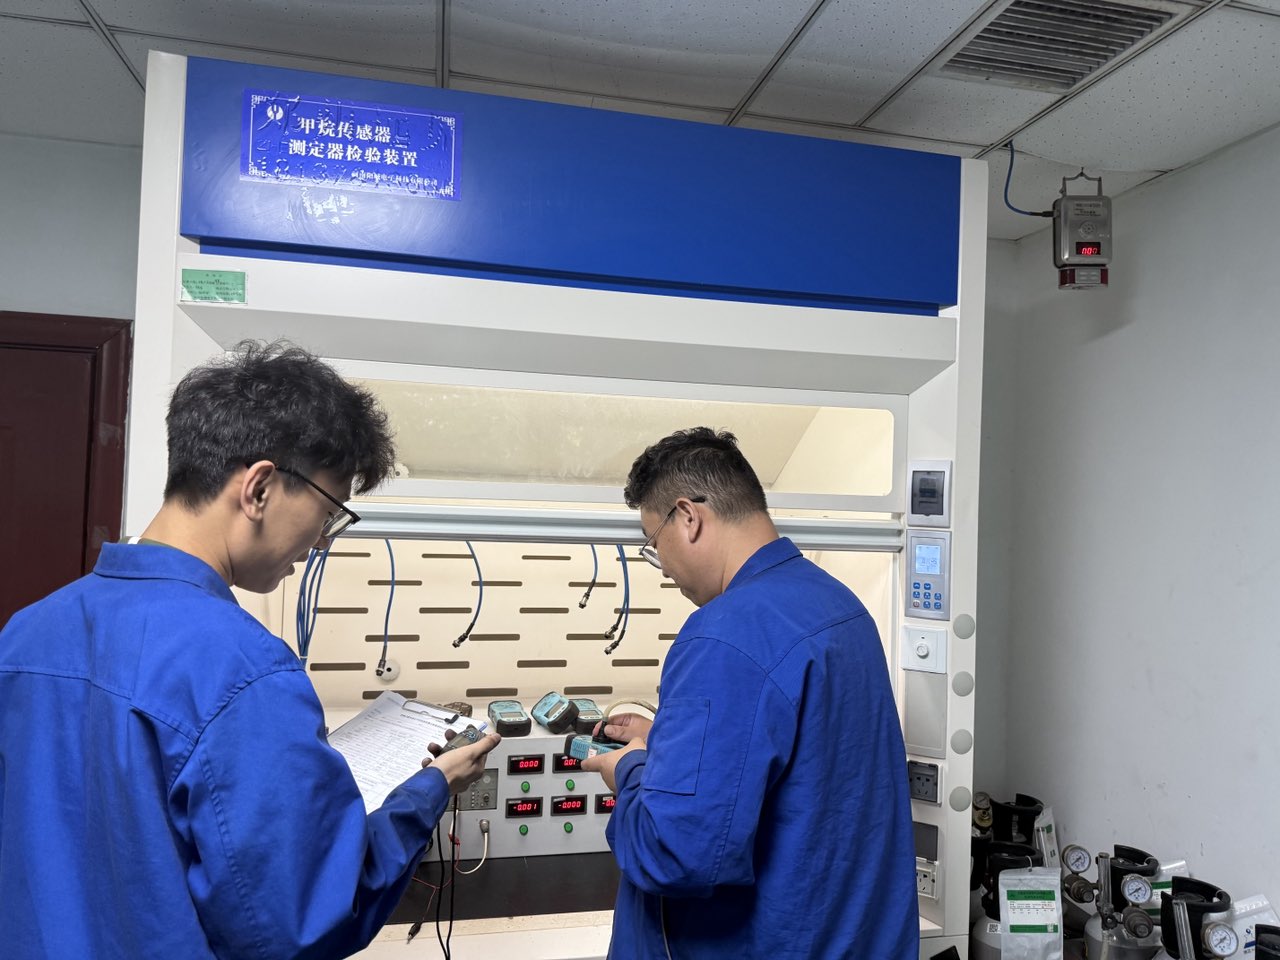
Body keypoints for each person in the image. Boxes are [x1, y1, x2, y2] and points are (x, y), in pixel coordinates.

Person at [0, 341, 500, 959]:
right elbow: (304, 921)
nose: (321, 543)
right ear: (259, 488)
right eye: (328, 513)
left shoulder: (26, 632)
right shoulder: (246, 672)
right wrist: (428, 792)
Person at [581, 427, 918, 959]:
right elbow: (807, 770)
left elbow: (675, 853)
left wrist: (630, 770)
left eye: (653, 544)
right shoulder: (841, 607)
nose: (663, 567)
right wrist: (667, 740)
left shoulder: (722, 635)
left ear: (688, 517)